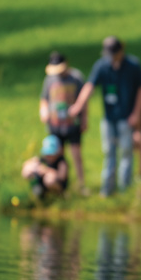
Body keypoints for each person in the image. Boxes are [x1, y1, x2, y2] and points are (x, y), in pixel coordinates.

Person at [68, 36, 141, 197]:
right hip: (109, 118)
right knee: (109, 152)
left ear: (121, 51)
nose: (110, 56)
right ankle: (107, 191)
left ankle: (125, 190)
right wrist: (78, 105)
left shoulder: (133, 66)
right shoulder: (102, 65)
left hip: (127, 117)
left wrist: (136, 114)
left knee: (126, 152)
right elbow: (90, 86)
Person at [39, 51, 87, 194]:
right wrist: (43, 111)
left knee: (76, 155)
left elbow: (84, 101)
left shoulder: (76, 78)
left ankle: (81, 184)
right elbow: (44, 99)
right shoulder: (49, 79)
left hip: (72, 124)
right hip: (55, 125)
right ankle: (60, 185)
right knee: (57, 156)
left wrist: (84, 119)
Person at [21, 135, 69, 199]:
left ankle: (59, 197)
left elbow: (62, 177)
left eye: (52, 153)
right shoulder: (42, 159)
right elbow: (25, 164)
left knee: (49, 180)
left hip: (57, 185)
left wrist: (46, 171)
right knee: (28, 170)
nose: (49, 156)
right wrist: (35, 168)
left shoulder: (61, 162)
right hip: (42, 183)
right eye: (47, 153)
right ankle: (38, 195)